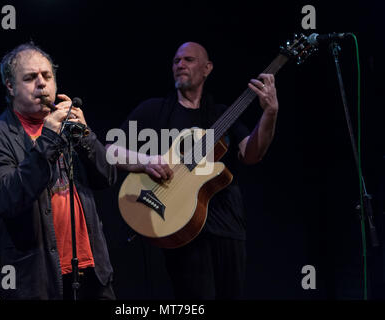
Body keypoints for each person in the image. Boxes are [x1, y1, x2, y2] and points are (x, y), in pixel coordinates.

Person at [108, 42, 279, 299]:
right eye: (176, 61)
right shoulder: (154, 110)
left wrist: (270, 114)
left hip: (228, 225)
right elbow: (110, 150)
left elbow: (253, 154)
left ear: (207, 68)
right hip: (180, 224)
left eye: (188, 59)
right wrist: (146, 161)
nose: (180, 65)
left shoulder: (223, 115)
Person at [0, 43, 117, 300]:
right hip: (39, 280)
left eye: (47, 76)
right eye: (30, 78)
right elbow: (9, 199)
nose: (41, 84)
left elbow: (106, 177)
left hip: (91, 271)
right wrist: (49, 138)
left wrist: (86, 135)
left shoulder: (70, 123)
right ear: (10, 86)